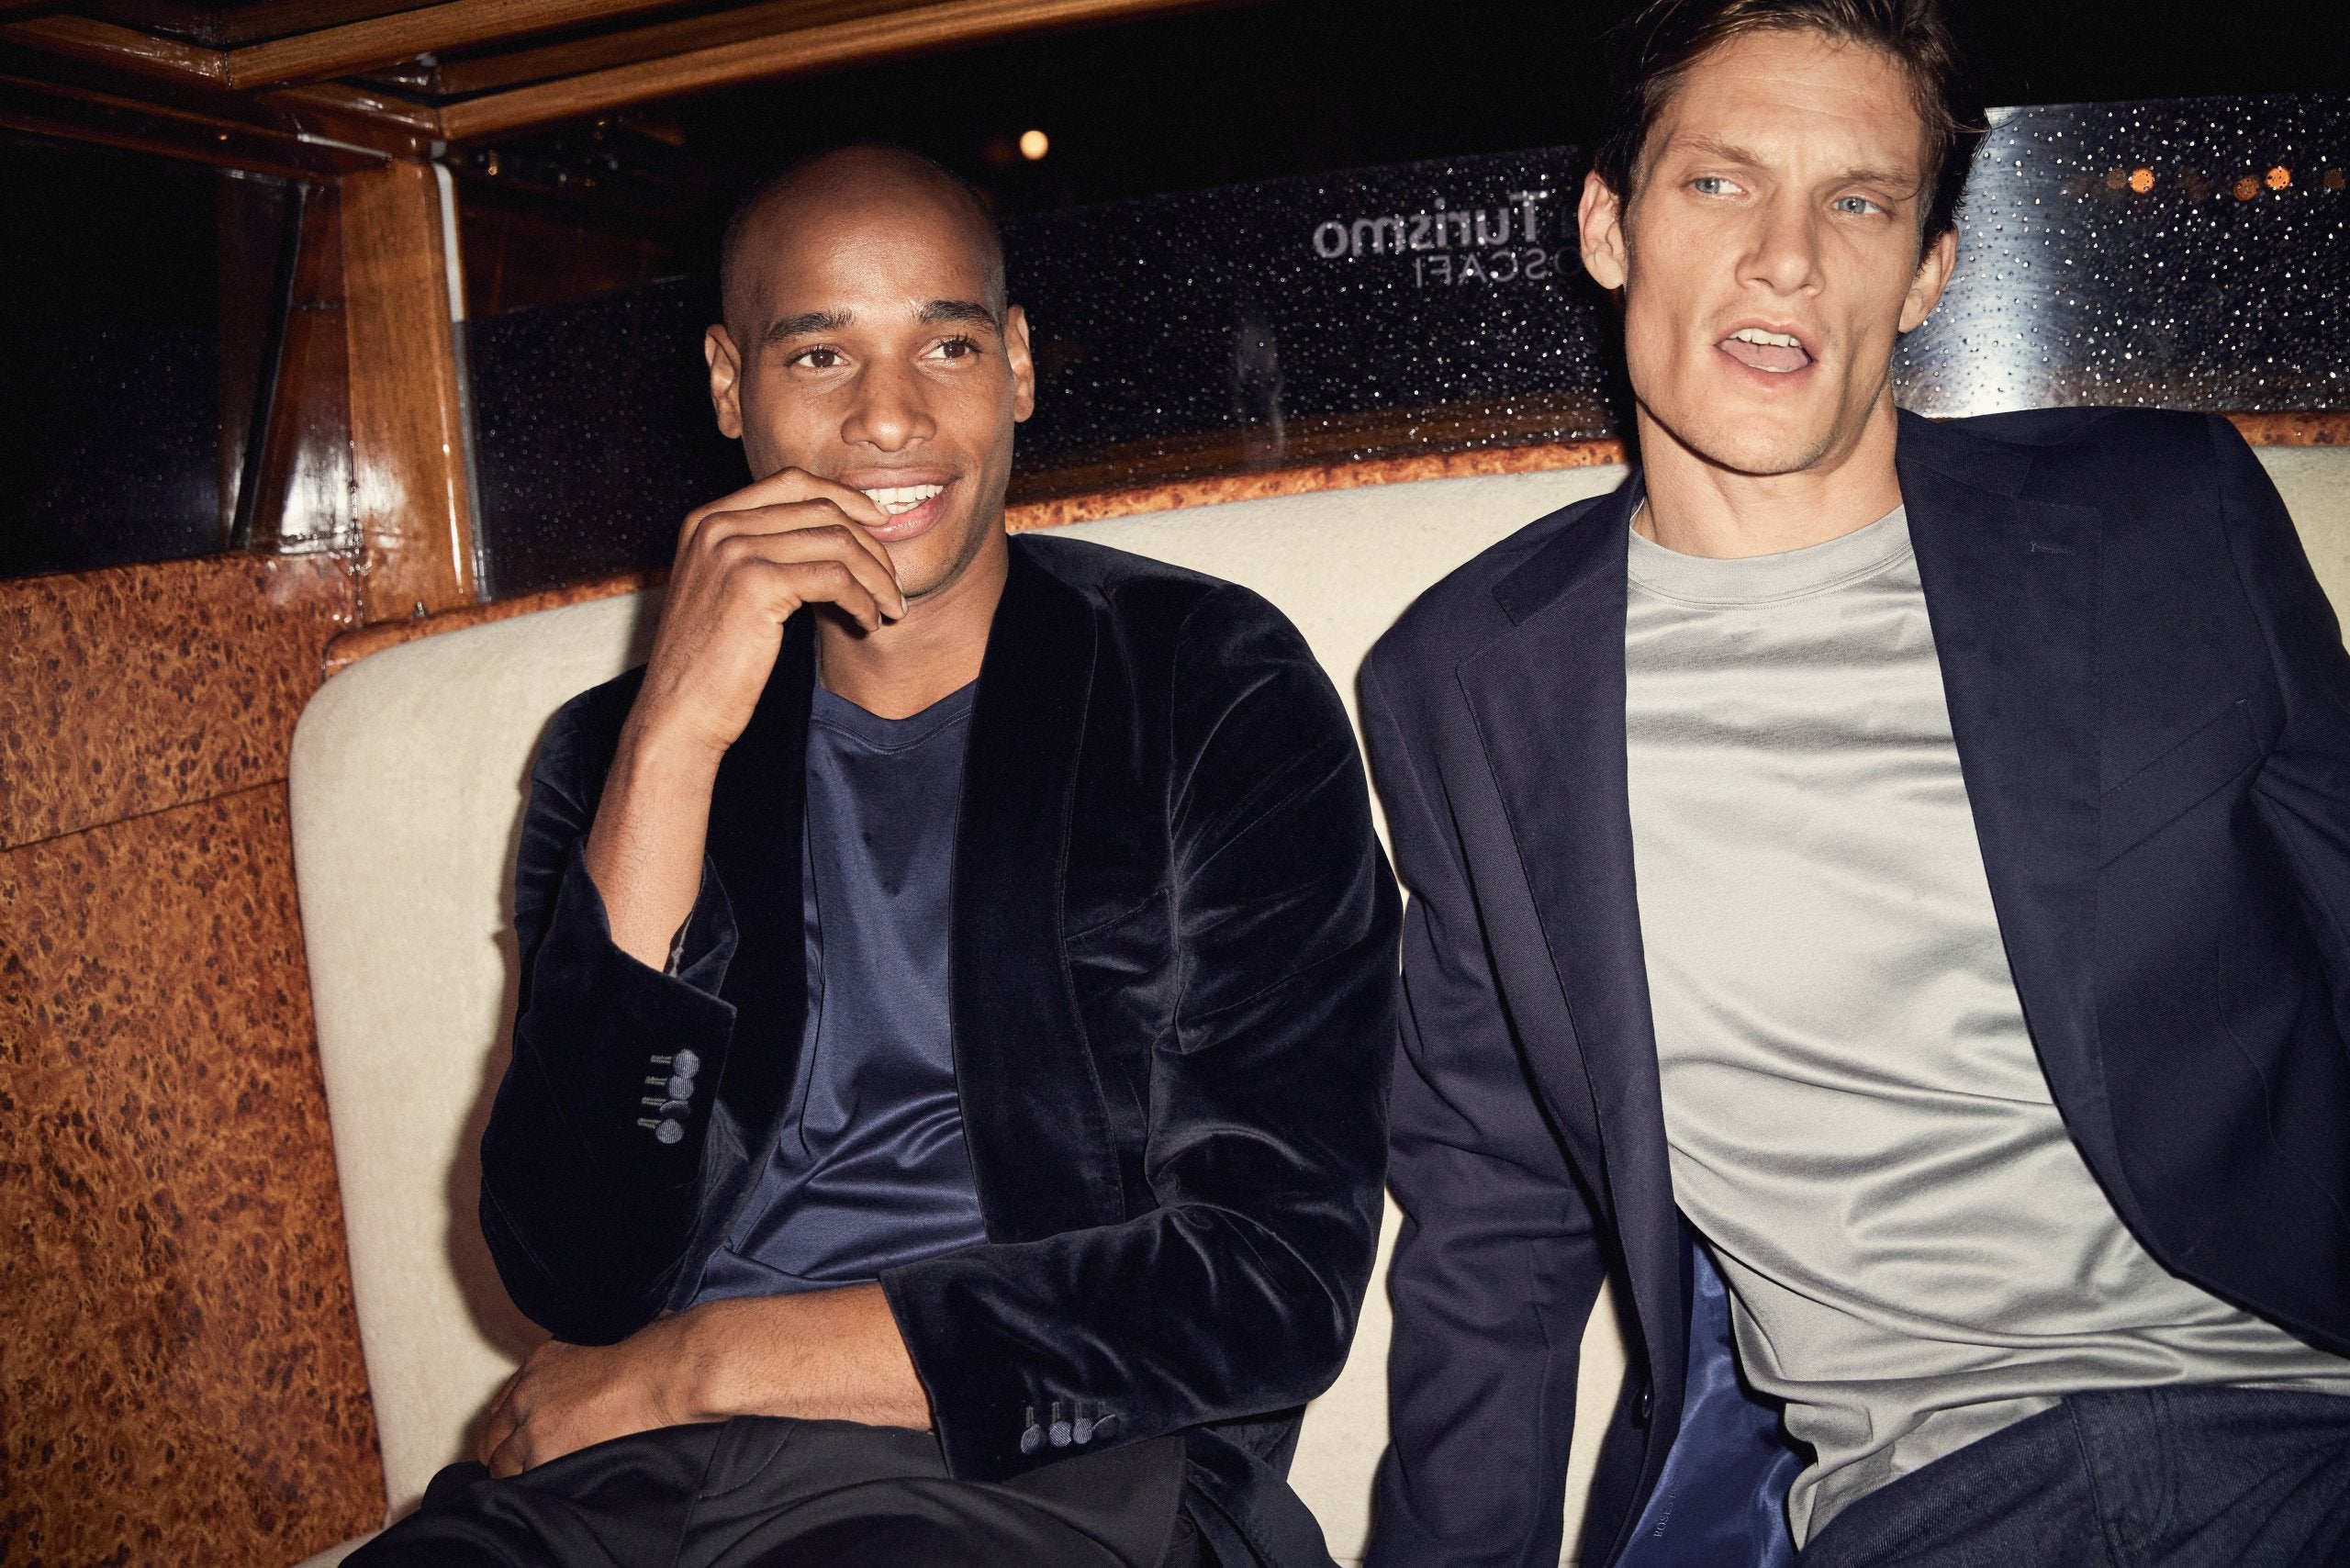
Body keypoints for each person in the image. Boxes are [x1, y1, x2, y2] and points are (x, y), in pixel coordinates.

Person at [1360, 3, 2350, 1565]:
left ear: (1929, 271)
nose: (1787, 259)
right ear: (1609, 226)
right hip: (1932, 1500)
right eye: (1719, 184)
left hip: (2302, 1421)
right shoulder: (1470, 684)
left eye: (1860, 202)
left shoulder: (2163, 518)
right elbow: (1495, 1207)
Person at [352, 144, 1398, 1568]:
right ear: (731, 385)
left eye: (946, 345)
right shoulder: (614, 752)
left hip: (1043, 1475)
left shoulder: (1205, 687)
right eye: (821, 355)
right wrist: (676, 740)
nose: (890, 417)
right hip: (643, 1483)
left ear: (1016, 365)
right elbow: (572, 1267)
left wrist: (699, 1365)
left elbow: (1267, 1282)